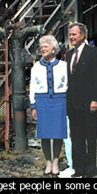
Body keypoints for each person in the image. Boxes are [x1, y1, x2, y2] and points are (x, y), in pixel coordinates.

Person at [66, 22, 97, 178]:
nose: (71, 37)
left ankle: (91, 169)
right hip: (73, 104)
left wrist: (95, 99)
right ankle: (79, 168)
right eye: (70, 35)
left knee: (90, 136)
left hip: (89, 103)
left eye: (74, 34)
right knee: (76, 137)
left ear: (82, 35)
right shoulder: (69, 55)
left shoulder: (93, 53)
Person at [30, 35, 68, 176]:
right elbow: (32, 87)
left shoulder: (63, 66)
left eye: (46, 46)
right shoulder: (36, 67)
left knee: (58, 134)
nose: (43, 48)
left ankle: (56, 161)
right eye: (42, 47)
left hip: (59, 101)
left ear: (54, 49)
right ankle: (48, 162)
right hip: (42, 101)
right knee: (44, 134)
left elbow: (68, 85)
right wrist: (33, 106)